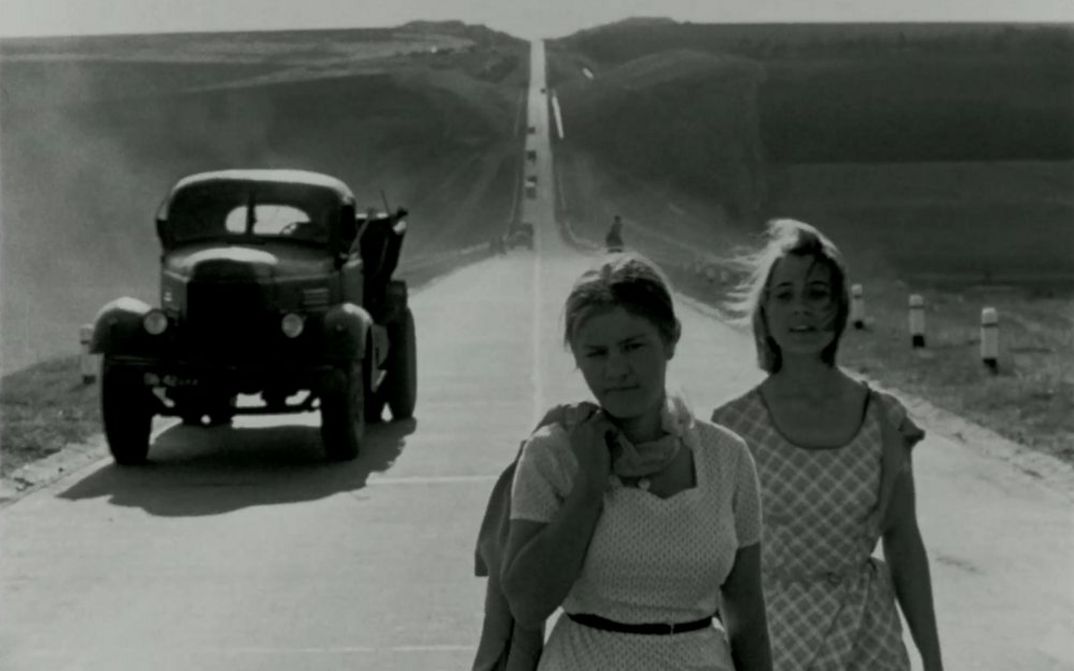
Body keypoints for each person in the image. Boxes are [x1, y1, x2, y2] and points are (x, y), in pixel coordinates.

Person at [499, 253, 772, 671]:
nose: (616, 369)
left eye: (632, 346)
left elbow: (748, 616)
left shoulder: (727, 457)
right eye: (596, 353)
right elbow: (527, 603)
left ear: (670, 339)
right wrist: (589, 485)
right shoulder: (552, 456)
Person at [710, 219, 944, 671]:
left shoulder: (885, 419)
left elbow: (902, 540)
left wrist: (932, 658)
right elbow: (718, 561)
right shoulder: (732, 427)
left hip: (867, 639)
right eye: (785, 295)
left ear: (838, 306)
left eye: (816, 293)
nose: (802, 310)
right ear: (765, 312)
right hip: (771, 641)